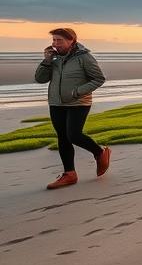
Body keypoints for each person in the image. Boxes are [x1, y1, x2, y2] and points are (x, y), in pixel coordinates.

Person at [34, 27, 110, 189]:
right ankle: (70, 174)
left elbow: (98, 78)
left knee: (73, 135)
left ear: (72, 41)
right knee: (62, 137)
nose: (55, 43)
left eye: (59, 40)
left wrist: (77, 92)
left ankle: (100, 152)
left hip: (78, 102)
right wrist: (46, 61)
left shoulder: (84, 57)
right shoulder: (53, 58)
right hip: (56, 103)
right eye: (54, 40)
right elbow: (40, 79)